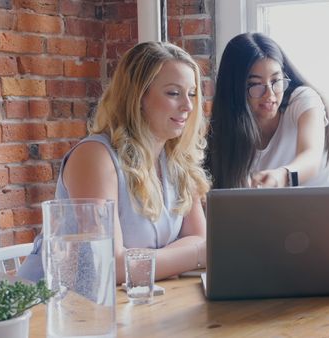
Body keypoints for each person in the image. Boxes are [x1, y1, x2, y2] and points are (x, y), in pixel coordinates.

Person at [18, 41, 210, 284]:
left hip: (128, 304)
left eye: (192, 93)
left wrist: (151, 263)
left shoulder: (177, 159)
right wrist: (192, 255)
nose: (188, 105)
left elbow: (200, 238)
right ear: (138, 96)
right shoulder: (95, 156)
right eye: (174, 93)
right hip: (52, 307)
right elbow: (111, 266)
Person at [206, 32, 329, 188]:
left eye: (276, 81)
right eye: (256, 84)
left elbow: (311, 157)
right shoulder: (227, 136)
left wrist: (282, 175)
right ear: (235, 89)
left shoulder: (302, 100)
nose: (270, 95)